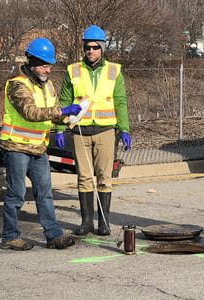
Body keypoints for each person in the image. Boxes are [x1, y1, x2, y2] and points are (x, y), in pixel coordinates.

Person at [0, 38, 82, 250]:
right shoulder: (18, 84)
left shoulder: (48, 85)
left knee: (45, 193)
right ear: (33, 63)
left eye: (49, 65)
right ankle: (10, 236)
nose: (49, 69)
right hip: (16, 147)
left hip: (38, 147)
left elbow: (50, 113)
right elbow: (30, 112)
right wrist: (62, 111)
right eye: (45, 65)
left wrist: (68, 119)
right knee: (16, 194)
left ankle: (53, 236)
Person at [56, 25, 131, 236]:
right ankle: (87, 222)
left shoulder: (114, 70)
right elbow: (64, 100)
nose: (91, 51)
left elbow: (120, 101)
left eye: (95, 47)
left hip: (106, 131)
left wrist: (124, 129)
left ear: (102, 48)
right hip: (80, 131)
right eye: (87, 47)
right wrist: (60, 128)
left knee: (104, 177)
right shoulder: (73, 70)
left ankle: (104, 223)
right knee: (84, 177)